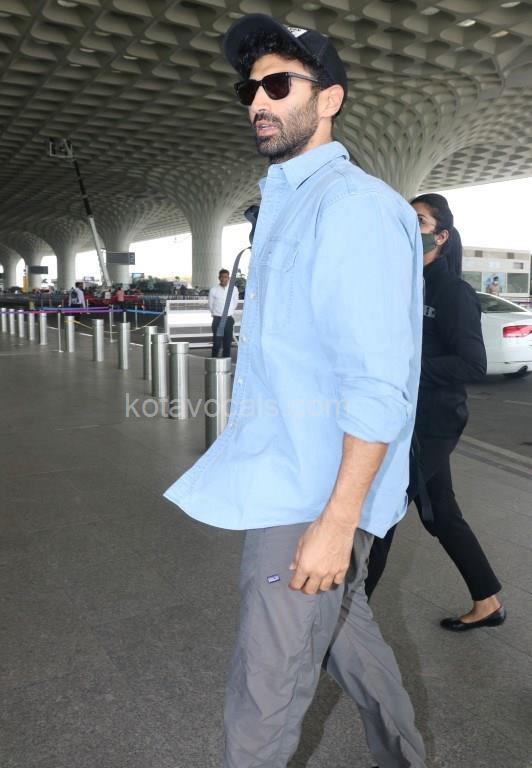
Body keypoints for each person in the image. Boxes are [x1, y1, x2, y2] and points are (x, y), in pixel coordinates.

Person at [164, 15, 426, 768]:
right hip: (289, 474)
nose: (258, 101)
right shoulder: (289, 204)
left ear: (330, 98)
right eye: (250, 89)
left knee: (264, 698)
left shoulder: (351, 206)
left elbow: (377, 381)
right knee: (351, 643)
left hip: (314, 494)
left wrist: (336, 523)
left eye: (279, 85)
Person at [366, 193, 506, 633]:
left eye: (419, 221)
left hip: (433, 422)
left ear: (441, 236)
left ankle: (347, 620)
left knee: (382, 508)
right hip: (403, 416)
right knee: (441, 512)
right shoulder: (403, 284)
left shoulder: (453, 292)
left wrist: (409, 368)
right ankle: (488, 601)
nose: (409, 228)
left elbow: (472, 364)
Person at [208, 268, 238, 358]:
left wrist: (229, 313)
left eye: (225, 277)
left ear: (228, 278)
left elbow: (235, 303)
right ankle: (214, 363)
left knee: (227, 344)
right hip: (217, 320)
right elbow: (210, 305)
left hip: (228, 319)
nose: (223, 279)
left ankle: (226, 364)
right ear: (219, 278)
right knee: (216, 344)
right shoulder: (213, 290)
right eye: (221, 277)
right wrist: (217, 314)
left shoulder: (234, 289)